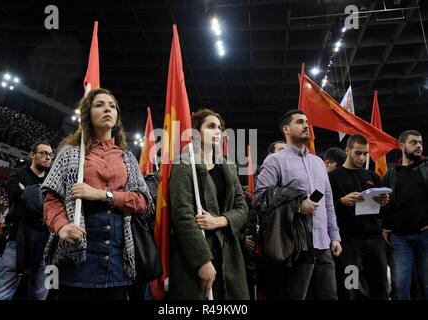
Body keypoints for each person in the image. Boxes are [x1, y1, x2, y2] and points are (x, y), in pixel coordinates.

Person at [41, 88, 154, 300]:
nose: (107, 109)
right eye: (99, 105)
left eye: (112, 106)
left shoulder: (128, 158)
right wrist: (62, 226)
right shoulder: (70, 152)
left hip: (118, 255)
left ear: (117, 117)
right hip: (76, 252)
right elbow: (51, 197)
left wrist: (102, 195)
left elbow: (142, 201)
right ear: (88, 113)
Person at [255, 109, 342, 300]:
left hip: (323, 244)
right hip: (294, 246)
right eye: (300, 122)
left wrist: (334, 236)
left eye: (307, 122)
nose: (306, 126)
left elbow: (328, 202)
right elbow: (260, 198)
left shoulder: (318, 162)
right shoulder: (275, 160)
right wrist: (296, 205)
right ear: (286, 129)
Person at [168, 109, 249, 300]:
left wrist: (220, 221)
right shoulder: (184, 164)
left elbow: (242, 208)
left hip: (230, 255)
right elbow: (182, 215)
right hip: (197, 256)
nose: (217, 131)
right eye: (211, 126)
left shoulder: (228, 167)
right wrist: (202, 260)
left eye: (219, 128)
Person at [0, 141, 53, 300]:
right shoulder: (17, 173)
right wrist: (43, 202)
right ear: (32, 154)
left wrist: (28, 194)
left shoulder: (52, 180)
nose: (48, 157)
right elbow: (15, 196)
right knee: (2, 292)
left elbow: (54, 209)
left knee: (42, 293)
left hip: (46, 244)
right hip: (17, 240)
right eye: (43, 153)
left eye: (50, 155)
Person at [328, 134, 389, 299]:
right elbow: (324, 208)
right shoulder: (333, 177)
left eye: (365, 154)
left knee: (380, 287)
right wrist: (341, 201)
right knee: (351, 289)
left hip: (374, 241)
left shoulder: (373, 177)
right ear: (347, 150)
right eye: (358, 153)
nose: (362, 157)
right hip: (349, 243)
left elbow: (384, 213)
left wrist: (383, 204)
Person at [381, 130, 428, 300]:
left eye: (420, 142)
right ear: (402, 146)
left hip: (425, 235)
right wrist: (384, 226)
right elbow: (383, 205)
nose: (419, 146)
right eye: (414, 142)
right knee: (400, 287)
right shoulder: (391, 174)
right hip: (399, 239)